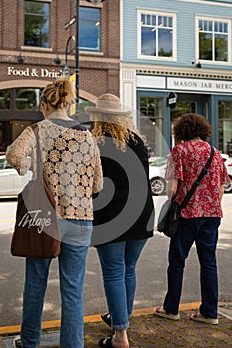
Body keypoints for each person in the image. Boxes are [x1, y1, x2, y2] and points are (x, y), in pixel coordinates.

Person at [6, 79, 103, 348]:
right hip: (81, 219)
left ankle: (29, 342)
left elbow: (15, 157)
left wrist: (30, 164)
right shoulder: (87, 135)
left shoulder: (37, 129)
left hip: (46, 220)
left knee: (35, 284)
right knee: (72, 291)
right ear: (69, 104)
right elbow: (98, 184)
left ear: (44, 104)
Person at [85, 94, 155, 348]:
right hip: (142, 215)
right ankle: (121, 318)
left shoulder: (95, 142)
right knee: (128, 269)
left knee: (114, 271)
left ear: (98, 116)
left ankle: (120, 336)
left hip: (111, 217)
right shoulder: (137, 141)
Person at [154, 113, 230, 325]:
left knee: (177, 261)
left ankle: (171, 309)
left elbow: (172, 187)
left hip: (187, 214)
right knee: (208, 262)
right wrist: (209, 203)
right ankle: (209, 312)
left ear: (181, 131)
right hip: (212, 215)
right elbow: (222, 185)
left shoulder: (179, 151)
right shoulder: (215, 153)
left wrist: (175, 202)